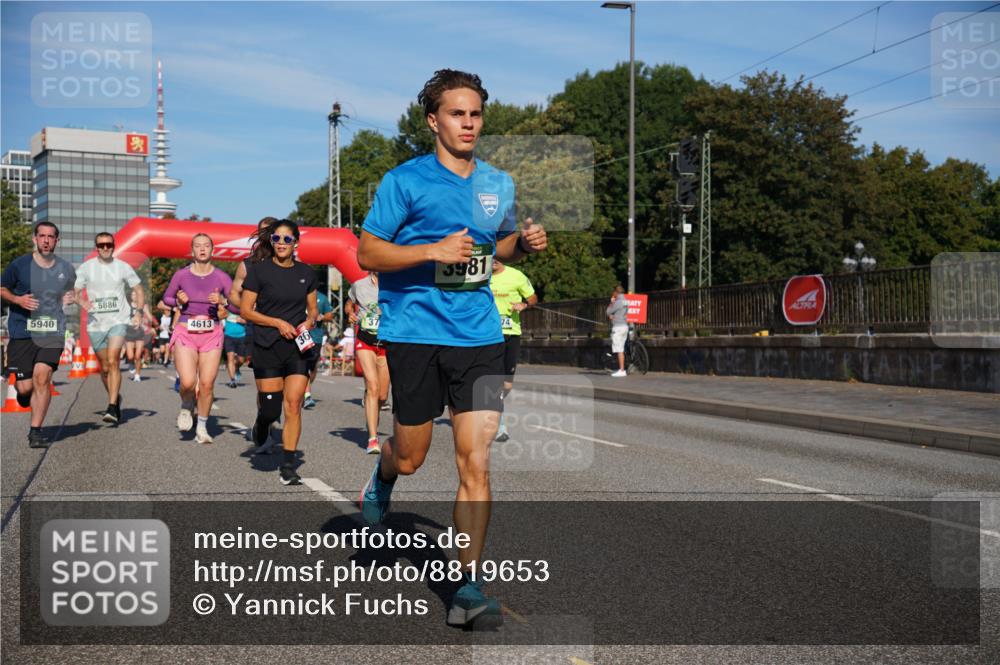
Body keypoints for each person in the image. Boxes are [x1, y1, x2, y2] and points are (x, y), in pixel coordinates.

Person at [356, 69, 547, 628]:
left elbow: (499, 246)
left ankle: (467, 588)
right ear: (433, 121)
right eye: (457, 114)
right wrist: (430, 251)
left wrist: (524, 244)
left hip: (480, 334)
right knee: (413, 456)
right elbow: (368, 252)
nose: (469, 123)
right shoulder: (405, 182)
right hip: (415, 332)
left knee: (476, 461)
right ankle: (384, 475)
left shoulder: (497, 183)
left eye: (476, 114)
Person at [240, 219, 319, 486]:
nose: (282, 244)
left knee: (294, 404)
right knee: (271, 408)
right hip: (266, 344)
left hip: (297, 347)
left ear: (296, 242)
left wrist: (308, 323)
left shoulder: (307, 273)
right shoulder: (259, 271)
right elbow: (246, 310)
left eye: (287, 239)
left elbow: (313, 310)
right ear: (271, 242)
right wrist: (277, 323)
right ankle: (262, 426)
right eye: (277, 239)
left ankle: (288, 464)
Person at [0, 222, 76, 448]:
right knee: (24, 388)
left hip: (52, 330)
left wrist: (70, 297)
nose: (45, 240)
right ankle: (24, 395)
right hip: (22, 330)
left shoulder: (65, 268)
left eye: (50, 237)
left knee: (43, 376)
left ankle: (36, 431)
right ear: (35, 238)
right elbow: (2, 288)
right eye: (41, 236)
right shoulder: (19, 265)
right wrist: (18, 300)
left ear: (56, 241)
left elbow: (71, 290)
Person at [162, 233, 233, 444]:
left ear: (212, 250)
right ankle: (186, 405)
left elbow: (236, 304)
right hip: (186, 330)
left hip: (212, 333)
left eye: (206, 246)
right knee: (187, 382)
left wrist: (223, 301)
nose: (202, 249)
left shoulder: (221, 277)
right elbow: (166, 297)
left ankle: (201, 428)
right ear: (192, 251)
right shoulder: (181, 275)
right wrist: (177, 299)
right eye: (197, 246)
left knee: (207, 384)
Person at [73, 232, 144, 423]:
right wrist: (82, 303)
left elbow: (138, 288)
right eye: (101, 245)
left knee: (113, 361)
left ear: (113, 246)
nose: (105, 248)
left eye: (109, 245)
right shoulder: (86, 268)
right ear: (96, 247)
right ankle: (116, 397)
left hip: (118, 320)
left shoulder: (123, 267)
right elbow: (76, 292)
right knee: (104, 368)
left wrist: (138, 312)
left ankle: (112, 407)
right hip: (96, 324)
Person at [229, 217, 279, 447]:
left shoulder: (289, 262)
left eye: (272, 231)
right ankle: (265, 425)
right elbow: (233, 294)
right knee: (266, 385)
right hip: (259, 330)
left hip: (286, 331)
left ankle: (271, 418)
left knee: (288, 387)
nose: (267, 235)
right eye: (263, 232)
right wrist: (247, 309)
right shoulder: (248, 264)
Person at [489, 260, 537, 441]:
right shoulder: (480, 276)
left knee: (506, 385)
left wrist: (524, 305)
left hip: (511, 334)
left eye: (497, 256)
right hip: (489, 336)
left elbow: (533, 298)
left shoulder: (516, 276)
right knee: (494, 381)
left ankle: (492, 404)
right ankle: (499, 426)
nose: (493, 260)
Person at [347, 272, 390, 453]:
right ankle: (373, 439)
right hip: (365, 340)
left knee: (382, 396)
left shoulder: (395, 283)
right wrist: (349, 312)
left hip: (387, 343)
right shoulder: (359, 285)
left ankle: (371, 409)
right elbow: (349, 303)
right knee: (372, 386)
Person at [302, 289, 333, 409]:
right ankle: (307, 394)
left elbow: (330, 315)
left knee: (313, 367)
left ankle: (303, 388)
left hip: (316, 337)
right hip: (301, 335)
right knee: (303, 364)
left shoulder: (322, 298)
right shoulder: (297, 292)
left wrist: (323, 317)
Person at [124, 292, 154, 383]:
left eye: (136, 294)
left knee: (138, 355)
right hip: (129, 332)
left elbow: (150, 319)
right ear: (131, 297)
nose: (135, 296)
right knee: (130, 356)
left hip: (140, 333)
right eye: (133, 295)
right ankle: (131, 364)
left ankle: (137, 375)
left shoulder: (143, 306)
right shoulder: (127, 306)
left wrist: (146, 312)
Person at [607, 284, 628, 377]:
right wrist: (615, 316)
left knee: (619, 349)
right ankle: (621, 368)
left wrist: (611, 302)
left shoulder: (618, 301)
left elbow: (608, 312)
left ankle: (622, 370)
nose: (612, 294)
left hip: (618, 327)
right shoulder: (625, 301)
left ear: (616, 292)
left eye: (613, 292)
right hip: (624, 326)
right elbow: (623, 313)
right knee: (621, 348)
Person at [223, 314, 248, 388]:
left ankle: (236, 368)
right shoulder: (228, 308)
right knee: (230, 358)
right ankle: (232, 380)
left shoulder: (242, 309)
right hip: (228, 336)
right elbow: (221, 314)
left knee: (241, 360)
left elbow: (249, 319)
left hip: (241, 336)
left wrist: (244, 321)